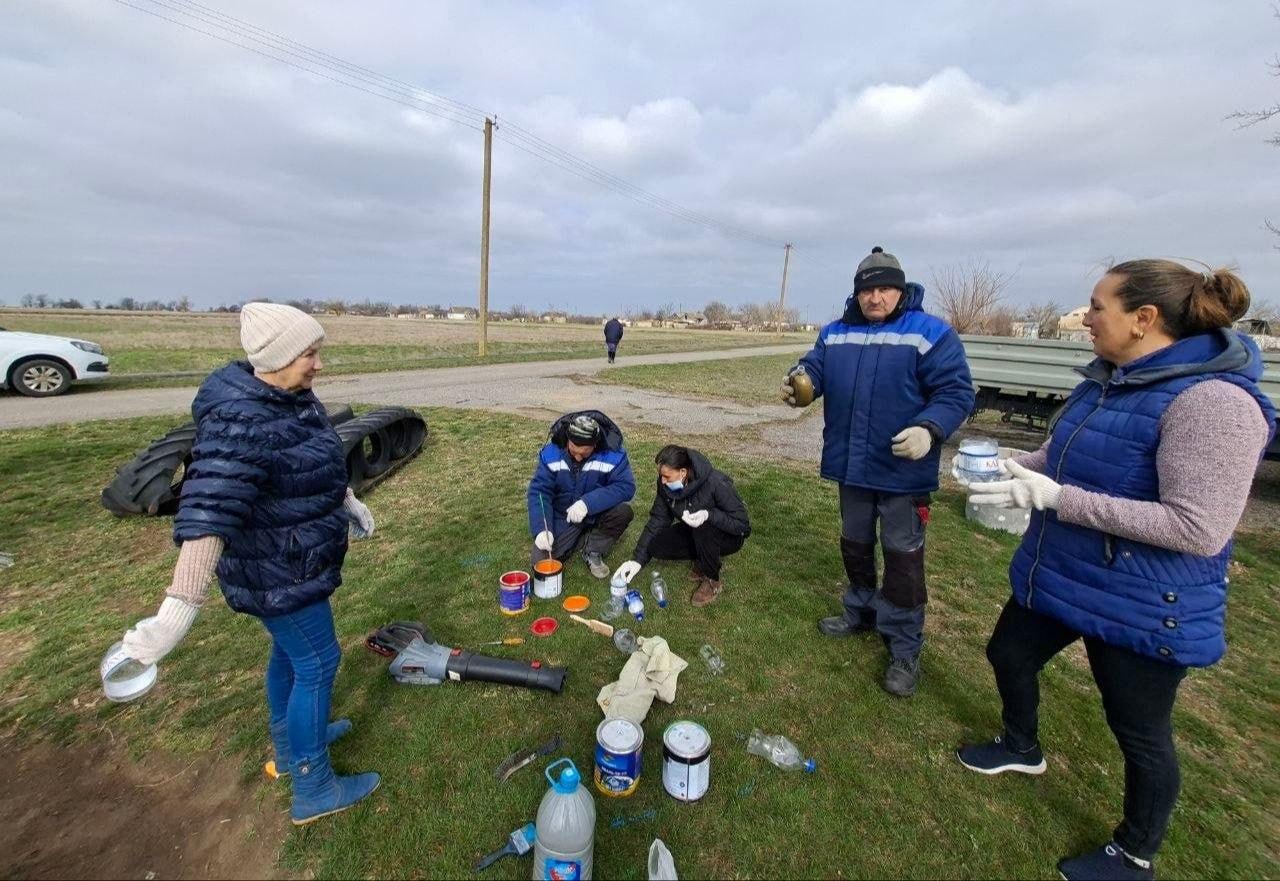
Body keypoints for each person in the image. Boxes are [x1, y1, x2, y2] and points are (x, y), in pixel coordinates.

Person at [957, 261, 1275, 881]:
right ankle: (1021, 746)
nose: (1086, 318)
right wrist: (1009, 468)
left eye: (1097, 306)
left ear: (1143, 319)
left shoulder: (1215, 403)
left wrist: (1058, 500)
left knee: (1139, 731)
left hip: (1142, 597)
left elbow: (1197, 528)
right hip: (1067, 572)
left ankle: (1134, 855)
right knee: (1009, 654)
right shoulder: (1104, 381)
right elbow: (1057, 457)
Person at [118, 302, 381, 825]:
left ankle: (290, 746)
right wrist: (176, 611)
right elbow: (209, 514)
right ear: (278, 357)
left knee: (292, 655)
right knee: (318, 662)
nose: (319, 364)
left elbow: (309, 464)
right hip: (275, 569)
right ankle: (314, 786)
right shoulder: (241, 423)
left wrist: (346, 499)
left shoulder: (291, 398)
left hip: (295, 560)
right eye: (309, 354)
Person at [785, 246, 975, 697]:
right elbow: (814, 368)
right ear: (857, 293)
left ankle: (905, 646)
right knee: (855, 545)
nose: (876, 297)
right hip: (852, 467)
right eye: (867, 290)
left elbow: (956, 392)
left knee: (903, 561)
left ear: (901, 290)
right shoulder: (835, 333)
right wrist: (800, 379)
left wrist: (930, 429)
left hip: (902, 472)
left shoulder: (930, 333)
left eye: (885, 289)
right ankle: (861, 610)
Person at [611, 445, 751, 607]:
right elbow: (658, 520)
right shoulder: (665, 485)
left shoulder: (716, 482)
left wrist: (709, 515)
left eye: (667, 477)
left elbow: (742, 526)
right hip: (695, 529)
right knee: (657, 546)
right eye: (661, 476)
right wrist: (638, 560)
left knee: (704, 528)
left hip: (728, 536)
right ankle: (702, 557)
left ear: (683, 472)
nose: (662, 481)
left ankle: (711, 579)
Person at [527, 410, 636, 577]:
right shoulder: (551, 453)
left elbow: (626, 487)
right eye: (573, 451)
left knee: (623, 512)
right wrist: (542, 529)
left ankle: (593, 549)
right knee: (540, 563)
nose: (578, 458)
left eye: (584, 453)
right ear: (567, 440)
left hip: (597, 513)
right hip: (563, 517)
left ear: (595, 444)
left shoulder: (614, 454)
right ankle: (580, 538)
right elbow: (540, 492)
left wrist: (587, 503)